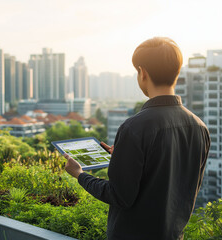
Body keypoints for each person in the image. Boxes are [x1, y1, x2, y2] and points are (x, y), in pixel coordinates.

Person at [64, 37, 210, 240]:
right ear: (176, 73)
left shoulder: (135, 127)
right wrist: (124, 154)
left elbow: (119, 196)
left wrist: (80, 175)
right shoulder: (199, 127)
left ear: (142, 73)